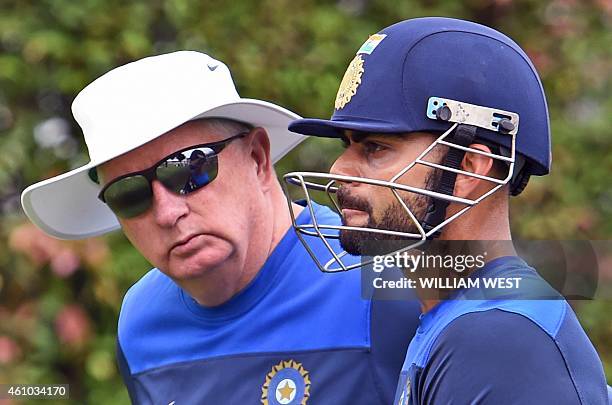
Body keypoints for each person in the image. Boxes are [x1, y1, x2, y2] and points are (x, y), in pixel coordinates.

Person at [21, 50, 421, 404]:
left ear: (259, 158)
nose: (167, 212)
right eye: (129, 195)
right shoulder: (140, 323)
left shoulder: (390, 273)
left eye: (190, 168)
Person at [285, 17, 608, 404]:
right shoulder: (458, 321)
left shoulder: (495, 339)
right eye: (347, 145)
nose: (339, 171)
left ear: (468, 168)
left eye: (375, 147)